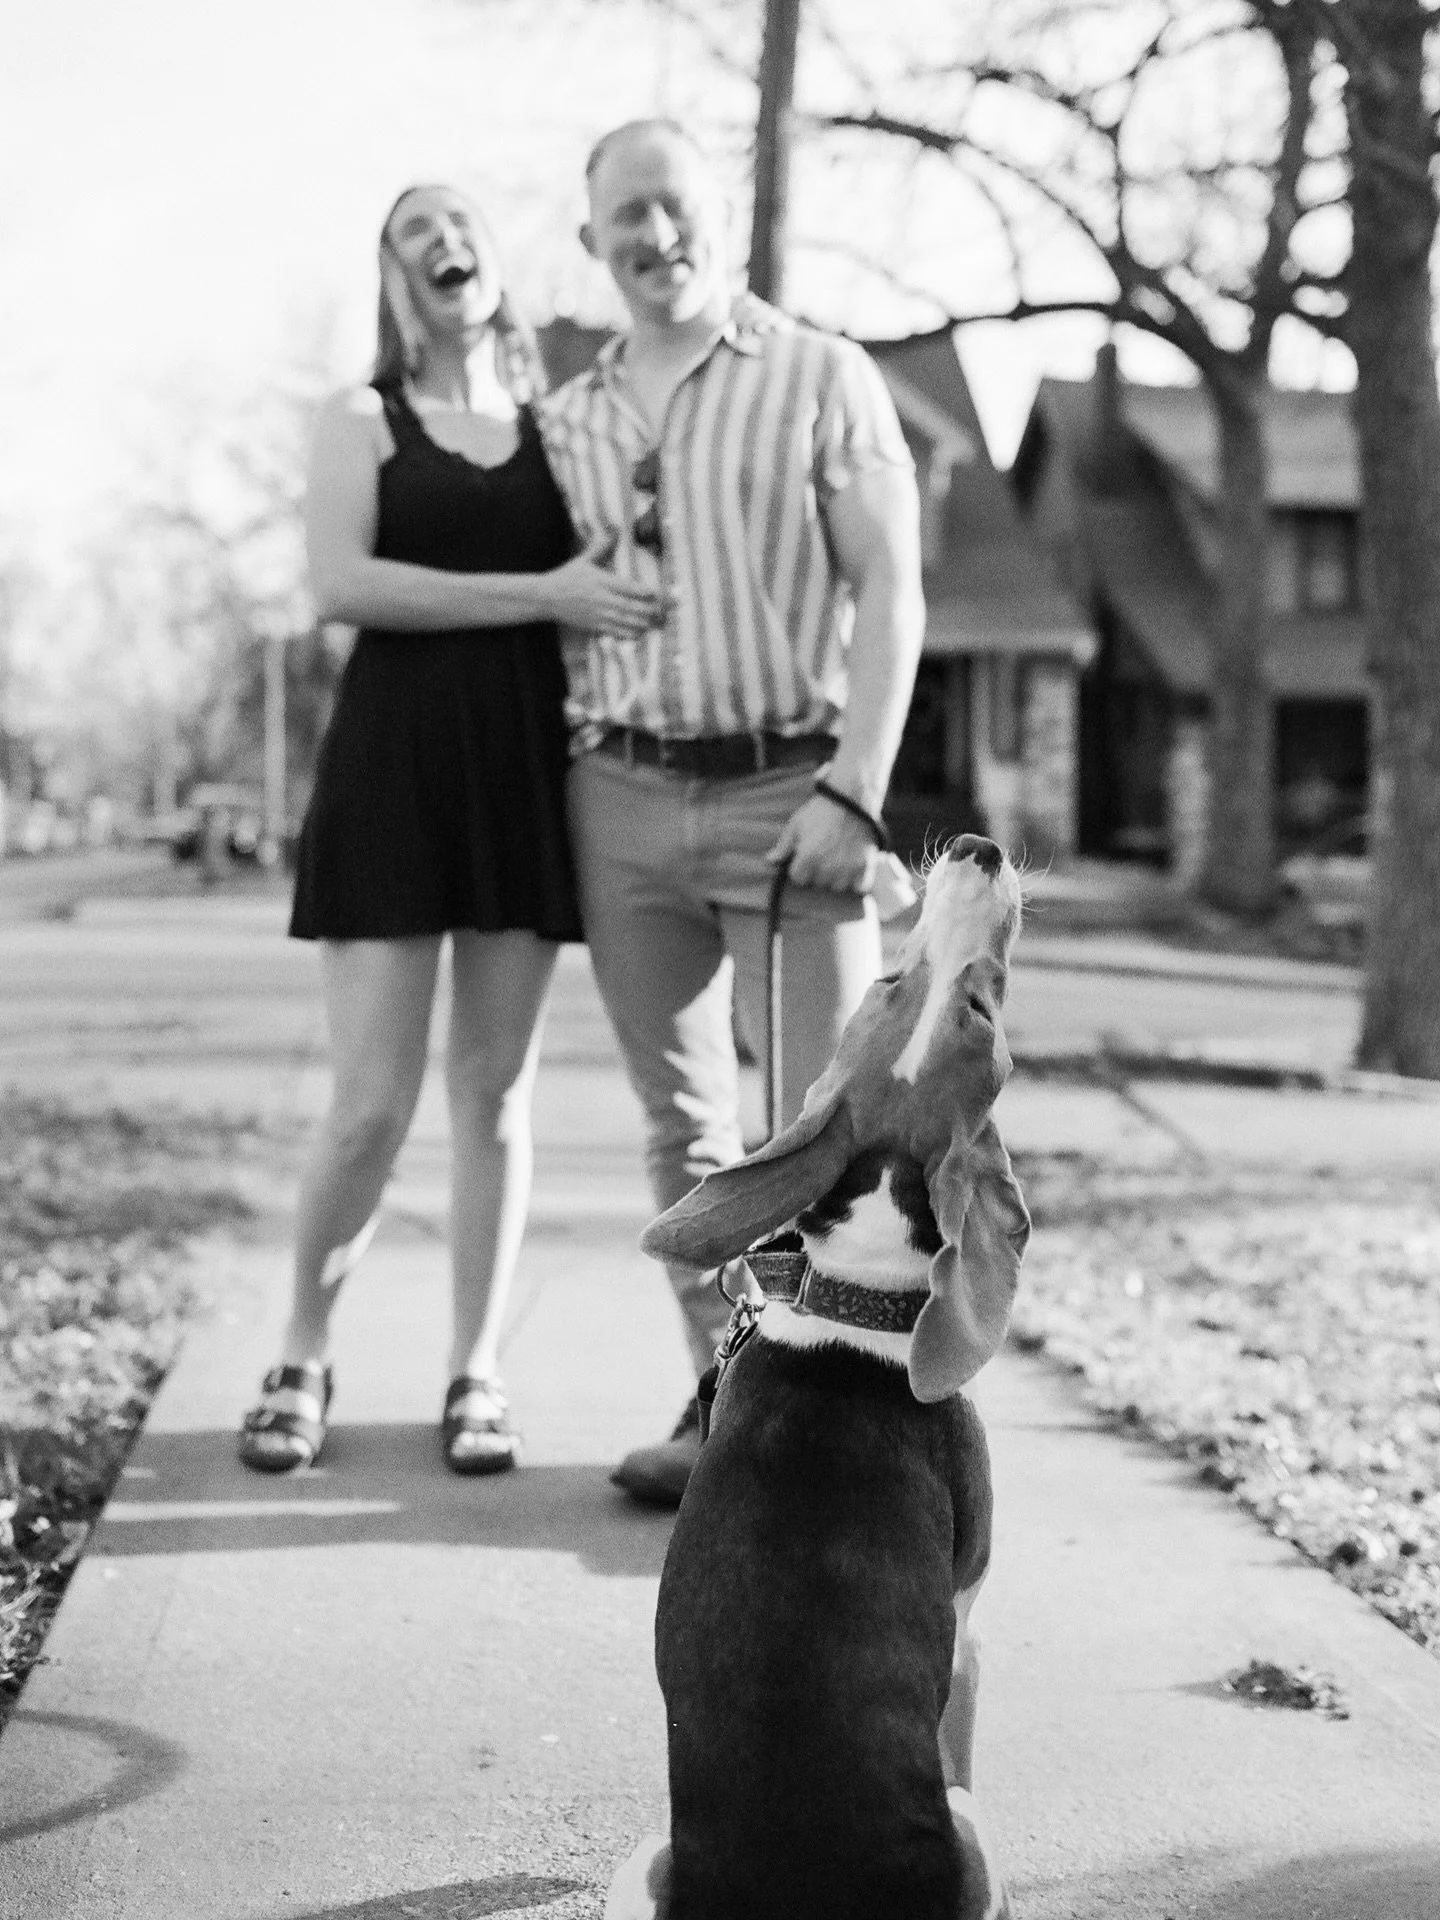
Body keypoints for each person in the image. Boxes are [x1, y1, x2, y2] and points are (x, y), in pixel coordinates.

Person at [239, 183, 658, 1477]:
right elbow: (342, 584)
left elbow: (635, 550)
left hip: (521, 777)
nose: (441, 242)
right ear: (392, 280)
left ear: (494, 264)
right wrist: (541, 594)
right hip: (391, 776)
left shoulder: (556, 428)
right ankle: (303, 1350)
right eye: (412, 232)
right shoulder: (361, 419)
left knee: (494, 1094)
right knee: (370, 1104)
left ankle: (477, 1369)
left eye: (456, 224)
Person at [540, 120, 925, 1505]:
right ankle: (737, 1409)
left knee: (827, 1133)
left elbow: (892, 586)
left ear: (719, 209)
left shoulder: (823, 374)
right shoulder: (565, 422)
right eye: (625, 216)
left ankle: (850, 1427)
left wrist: (854, 790)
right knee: (686, 1136)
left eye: (673, 204)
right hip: (621, 795)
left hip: (791, 795)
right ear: (592, 243)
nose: (655, 235)